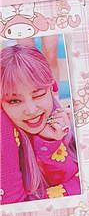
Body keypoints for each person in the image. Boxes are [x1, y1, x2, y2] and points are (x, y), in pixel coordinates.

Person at [0, 42, 80, 204]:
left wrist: (48, 142)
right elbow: (15, 206)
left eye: (38, 95)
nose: (31, 110)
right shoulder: (4, 129)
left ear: (52, 87)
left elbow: (71, 180)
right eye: (14, 101)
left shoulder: (56, 118)